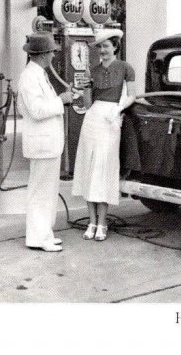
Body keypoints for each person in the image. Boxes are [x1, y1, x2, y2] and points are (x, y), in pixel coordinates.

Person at [72, 29, 136, 241]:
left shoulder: (126, 68)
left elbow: (132, 96)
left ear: (115, 46)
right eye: (100, 47)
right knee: (90, 169)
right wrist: (85, 89)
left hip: (111, 119)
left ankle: (103, 223)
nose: (103, 50)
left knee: (104, 168)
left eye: (106, 46)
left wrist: (117, 110)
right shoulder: (92, 70)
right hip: (93, 119)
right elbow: (88, 104)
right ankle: (91, 222)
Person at [17, 33, 78, 252]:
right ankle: (38, 237)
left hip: (48, 143)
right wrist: (61, 100)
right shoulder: (29, 77)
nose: (54, 55)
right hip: (42, 143)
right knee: (40, 193)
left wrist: (59, 100)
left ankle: (45, 233)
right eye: (52, 51)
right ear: (43, 54)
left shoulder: (39, 74)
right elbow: (36, 110)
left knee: (48, 192)